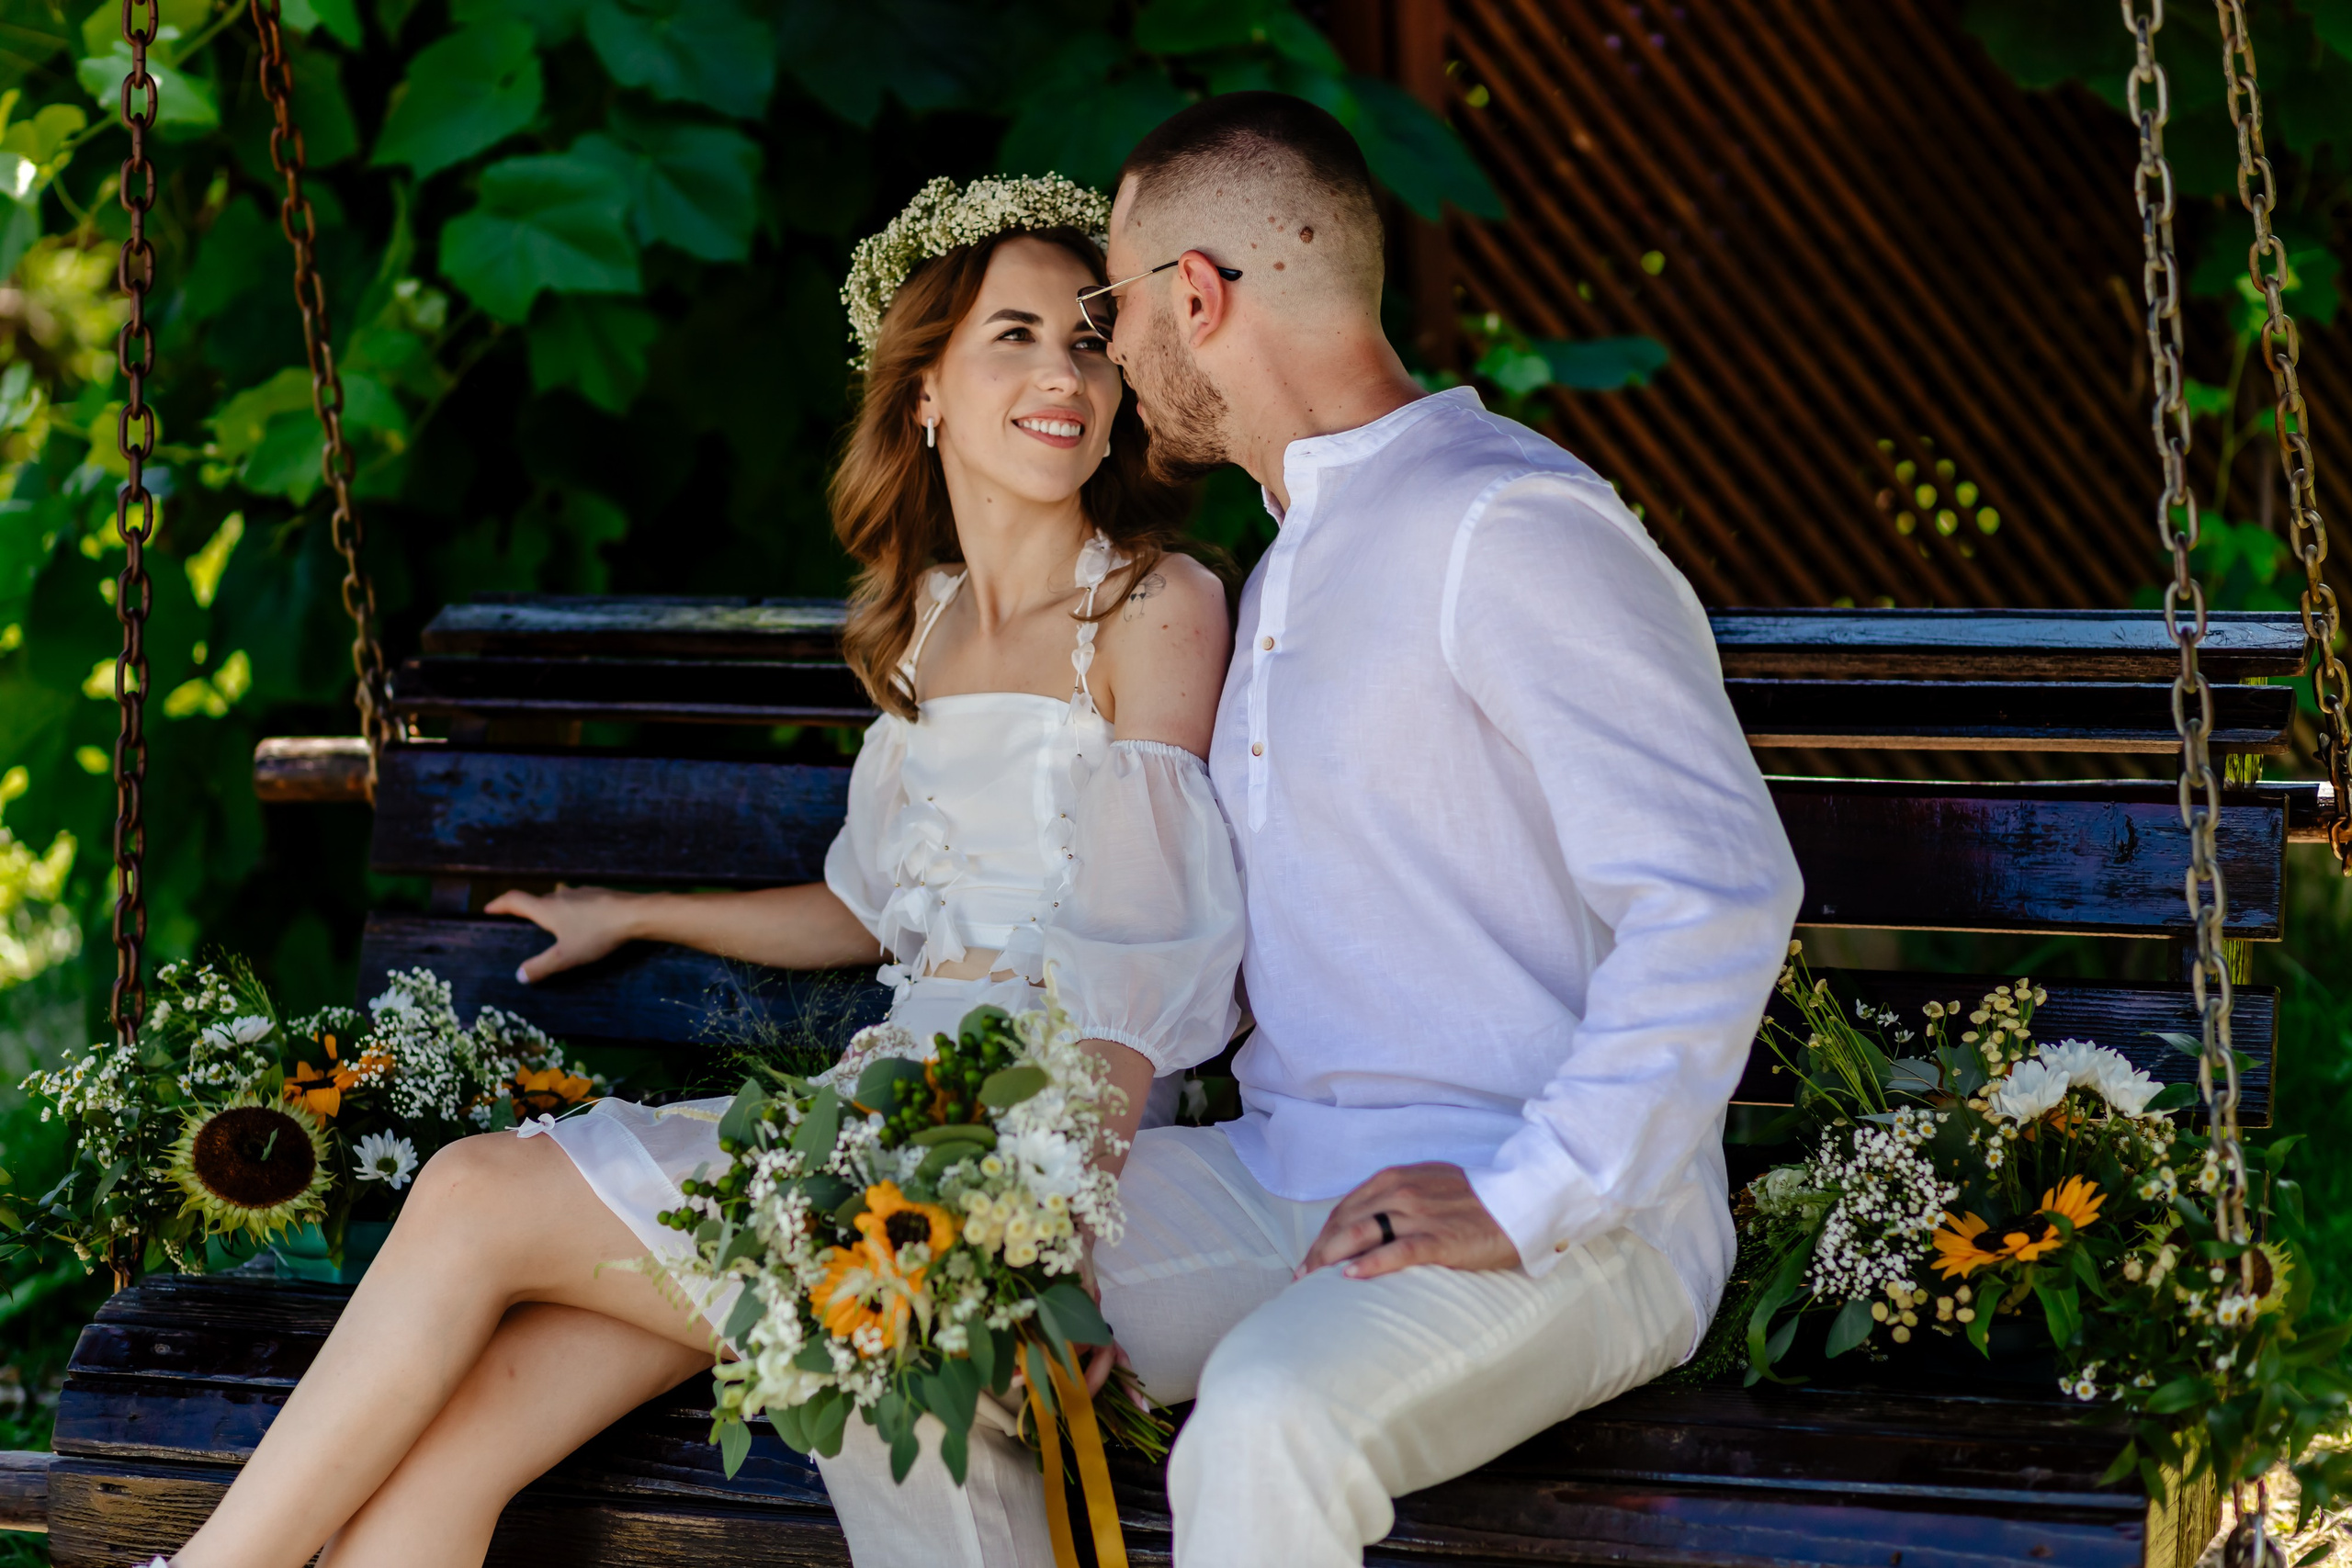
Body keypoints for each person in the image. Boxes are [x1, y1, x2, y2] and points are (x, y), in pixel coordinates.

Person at [158, 176, 1242, 1568]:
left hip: (1016, 1140)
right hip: (887, 1103)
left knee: (478, 1199)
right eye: (1014, 337)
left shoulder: (1155, 601)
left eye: (1090, 341)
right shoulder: (926, 625)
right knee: (460, 1455)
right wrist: (638, 910)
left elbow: (1148, 936)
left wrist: (1056, 1213)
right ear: (924, 392)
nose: (1063, 374)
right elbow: (870, 903)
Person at [810, 93, 1806, 1567]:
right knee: (913, 1308)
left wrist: (1528, 1192)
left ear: (1195, 297)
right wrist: (1063, 1202)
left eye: (1114, 310)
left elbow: (1719, 893)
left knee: (1266, 1417)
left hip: (1570, 1214)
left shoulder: (1504, 524)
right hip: (1290, 1174)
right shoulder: (1284, 564)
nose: (1112, 360)